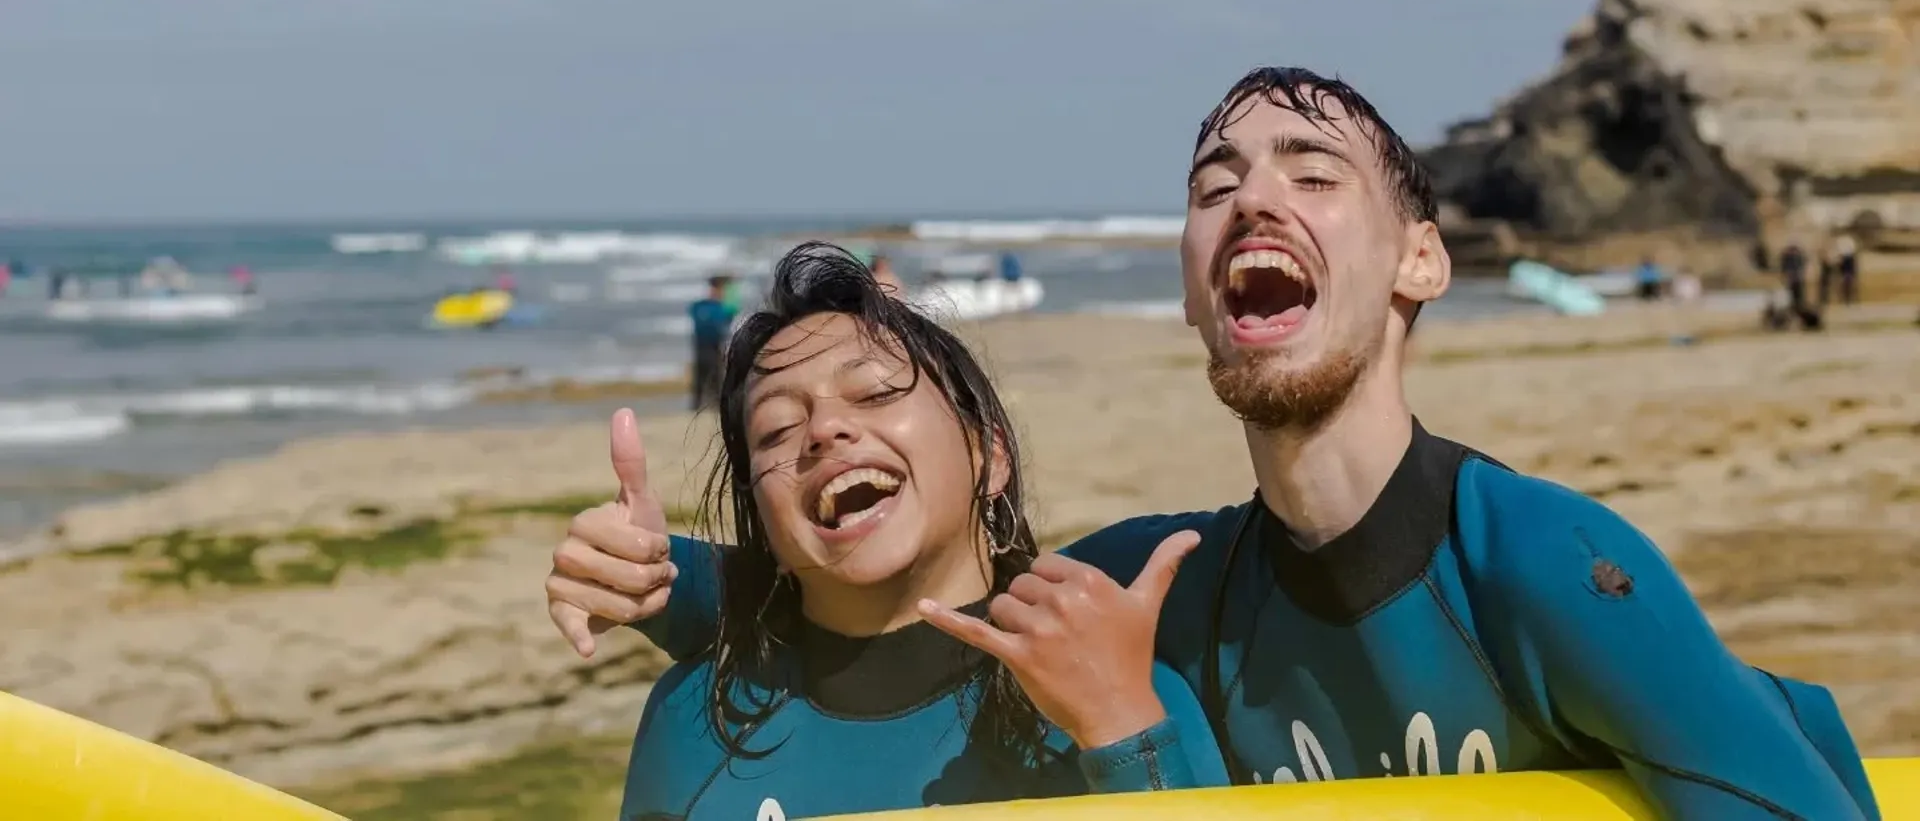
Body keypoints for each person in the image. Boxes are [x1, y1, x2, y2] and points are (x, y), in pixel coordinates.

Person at [551, 68, 1882, 820]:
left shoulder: (1541, 565)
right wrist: (674, 579)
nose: (1254, 195)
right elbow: (916, 612)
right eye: (1213, 186)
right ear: (1195, 292)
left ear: (1423, 256)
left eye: (1312, 174)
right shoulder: (1165, 592)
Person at [550, 243, 1225, 819]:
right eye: (778, 430)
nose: (824, 430)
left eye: (874, 393)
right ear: (763, 520)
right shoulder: (695, 719)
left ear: (989, 454)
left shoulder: (1118, 697)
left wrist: (1124, 736)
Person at [687, 275, 738, 411]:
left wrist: (732, 289)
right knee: (702, 377)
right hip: (702, 345)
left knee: (714, 377)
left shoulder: (720, 308)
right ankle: (697, 406)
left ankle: (715, 405)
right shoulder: (701, 306)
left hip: (713, 345)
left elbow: (731, 316)